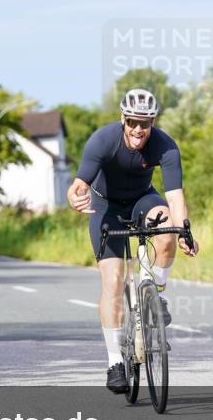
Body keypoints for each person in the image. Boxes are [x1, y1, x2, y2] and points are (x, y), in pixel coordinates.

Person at [66, 88, 199, 394]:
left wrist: (185, 232)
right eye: (133, 122)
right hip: (105, 206)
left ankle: (157, 293)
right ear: (122, 119)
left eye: (146, 123)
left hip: (142, 199)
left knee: (166, 227)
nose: (139, 130)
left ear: (153, 123)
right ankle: (115, 362)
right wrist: (75, 196)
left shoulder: (165, 146)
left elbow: (175, 197)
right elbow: (78, 184)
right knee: (113, 281)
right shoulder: (102, 140)